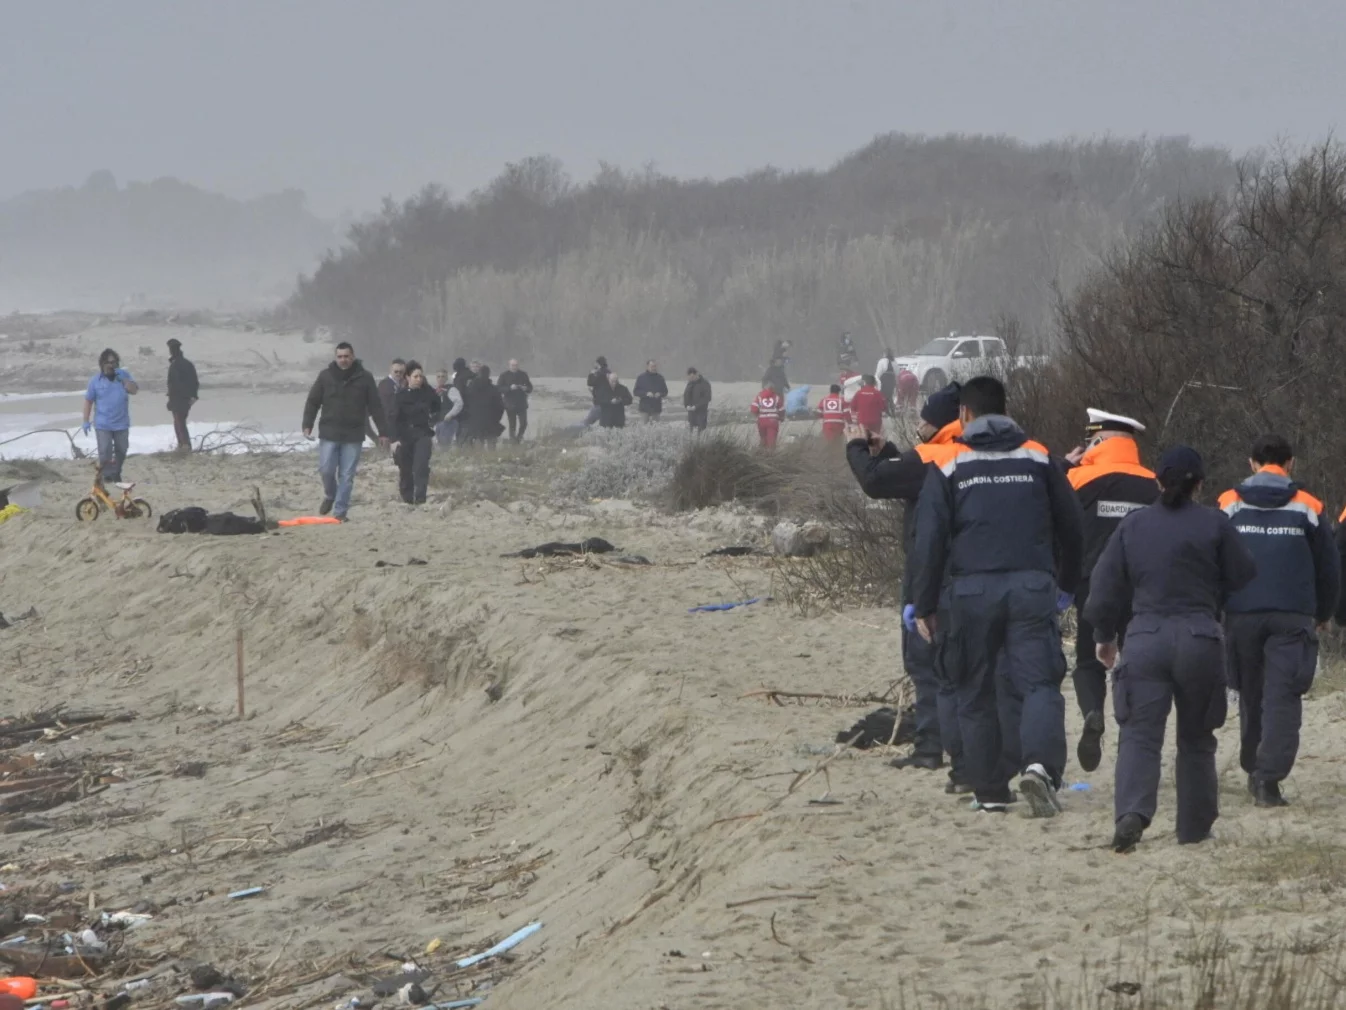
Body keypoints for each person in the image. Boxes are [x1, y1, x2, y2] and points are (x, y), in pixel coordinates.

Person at [911, 375, 1084, 817]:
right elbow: (1073, 525)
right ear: (1006, 411)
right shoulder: (1039, 456)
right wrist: (1067, 583)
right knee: (1039, 683)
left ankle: (989, 790)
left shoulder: (949, 463)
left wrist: (925, 605)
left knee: (973, 690)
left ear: (963, 415)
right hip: (1031, 587)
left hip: (970, 592)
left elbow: (929, 540)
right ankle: (1040, 768)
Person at [1087, 446, 1257, 851]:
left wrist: (1105, 636)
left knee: (1140, 735)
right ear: (1199, 485)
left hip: (1145, 638)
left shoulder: (1133, 526)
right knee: (1197, 738)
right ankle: (1195, 828)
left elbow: (1104, 589)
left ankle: (1132, 811)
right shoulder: (1215, 524)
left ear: (1158, 481)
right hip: (1200, 638)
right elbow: (1245, 573)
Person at [847, 383, 967, 789]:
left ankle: (930, 747)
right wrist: (892, 451)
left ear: (940, 422)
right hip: (978, 576)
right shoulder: (980, 451)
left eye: (923, 419)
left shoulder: (934, 456)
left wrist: (857, 450)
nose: (918, 425)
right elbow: (907, 469)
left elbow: (878, 482)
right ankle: (967, 746)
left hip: (930, 575)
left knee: (924, 662)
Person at [1218, 435, 1339, 808]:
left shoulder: (1229, 502)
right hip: (1292, 614)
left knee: (1252, 694)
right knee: (1283, 696)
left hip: (1241, 615)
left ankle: (1253, 764)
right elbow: (1329, 565)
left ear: (1252, 463)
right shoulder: (1309, 505)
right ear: (1291, 464)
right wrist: (1323, 611)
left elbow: (1212, 556)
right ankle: (1267, 780)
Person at [1061, 409, 1158, 773]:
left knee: (1088, 659)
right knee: (1135, 662)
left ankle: (1092, 714)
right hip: (1142, 587)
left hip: (1092, 584)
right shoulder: (1155, 484)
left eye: (1090, 440)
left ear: (1100, 441)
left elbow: (1062, 530)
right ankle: (1132, 731)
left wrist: (1063, 580)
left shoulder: (1077, 479)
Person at [302, 342, 388, 521]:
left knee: (347, 476)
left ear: (353, 356)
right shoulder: (325, 376)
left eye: (346, 356)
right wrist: (307, 423)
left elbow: (376, 406)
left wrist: (383, 431)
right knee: (326, 470)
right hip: (329, 431)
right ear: (336, 358)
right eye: (340, 356)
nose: (343, 360)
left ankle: (340, 513)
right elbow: (313, 401)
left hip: (353, 434)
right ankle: (330, 495)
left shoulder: (365, 378)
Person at [389, 362, 444, 505]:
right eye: (415, 376)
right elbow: (393, 419)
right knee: (406, 469)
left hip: (423, 433)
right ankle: (407, 497)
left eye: (421, 376)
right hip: (404, 436)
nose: (418, 379)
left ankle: (420, 497)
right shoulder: (400, 396)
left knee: (421, 466)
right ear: (407, 377)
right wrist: (394, 440)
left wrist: (434, 419)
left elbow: (438, 408)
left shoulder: (427, 392)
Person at [82, 348, 139, 484]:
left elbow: (134, 390)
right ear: (102, 364)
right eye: (108, 362)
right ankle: (107, 476)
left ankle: (117, 472)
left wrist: (124, 380)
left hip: (122, 423)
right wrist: (85, 420)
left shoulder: (124, 375)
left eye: (113, 362)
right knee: (105, 451)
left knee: (122, 449)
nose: (111, 365)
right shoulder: (95, 381)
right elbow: (88, 401)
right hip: (103, 424)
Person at [165, 338, 199, 453]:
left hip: (179, 398)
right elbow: (195, 382)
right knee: (179, 422)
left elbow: (175, 384)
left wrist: (173, 399)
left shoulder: (177, 365)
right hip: (183, 398)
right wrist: (194, 396)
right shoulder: (186, 364)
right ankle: (182, 445)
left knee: (179, 422)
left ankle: (185, 446)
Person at [465, 365, 506, 447]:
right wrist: (496, 419)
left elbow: (466, 404)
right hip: (491, 421)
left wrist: (470, 417)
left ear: (479, 373)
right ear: (489, 374)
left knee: (478, 445)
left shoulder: (471, 387)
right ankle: (491, 459)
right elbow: (500, 407)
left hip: (476, 421)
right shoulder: (493, 389)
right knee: (491, 445)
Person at [497, 358, 534, 443]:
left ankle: (519, 438)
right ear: (509, 365)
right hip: (510, 403)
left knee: (524, 423)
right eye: (513, 365)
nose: (514, 367)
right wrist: (509, 388)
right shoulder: (504, 375)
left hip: (522, 403)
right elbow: (499, 388)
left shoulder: (523, 374)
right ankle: (513, 441)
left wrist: (526, 388)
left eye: (516, 365)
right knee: (512, 424)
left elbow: (530, 388)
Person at [750, 384, 785, 448]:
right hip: (773, 421)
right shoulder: (776, 397)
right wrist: (781, 418)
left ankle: (762, 453)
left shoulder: (759, 396)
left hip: (762, 421)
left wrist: (757, 414)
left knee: (763, 438)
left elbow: (754, 408)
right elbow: (781, 410)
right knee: (771, 439)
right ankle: (771, 454)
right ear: (773, 389)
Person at [450, 357, 474, 443]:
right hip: (470, 406)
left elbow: (459, 391)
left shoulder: (461, 376)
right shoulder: (470, 374)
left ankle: (461, 445)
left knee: (462, 429)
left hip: (462, 406)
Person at [584, 356, 611, 426]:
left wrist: (591, 373)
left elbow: (590, 383)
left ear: (599, 364)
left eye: (596, 363)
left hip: (599, 404)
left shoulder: (599, 373)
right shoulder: (609, 373)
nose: (594, 365)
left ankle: (576, 432)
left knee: (586, 423)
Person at [876, 350, 899, 415]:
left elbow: (878, 372)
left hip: (884, 379)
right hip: (892, 379)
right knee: (889, 396)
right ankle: (892, 411)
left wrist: (876, 380)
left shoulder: (882, 361)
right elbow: (897, 372)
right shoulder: (894, 361)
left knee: (883, 396)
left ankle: (885, 411)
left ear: (884, 354)